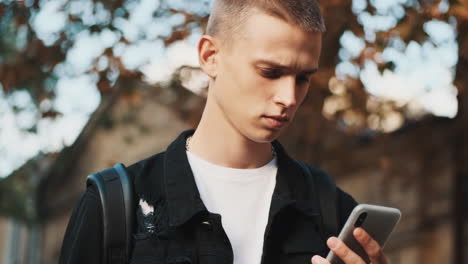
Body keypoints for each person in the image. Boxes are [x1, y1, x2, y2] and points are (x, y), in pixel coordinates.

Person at [59, 0, 389, 263]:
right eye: (270, 72)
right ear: (210, 56)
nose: (288, 98)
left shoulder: (332, 208)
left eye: (303, 78)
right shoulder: (113, 205)